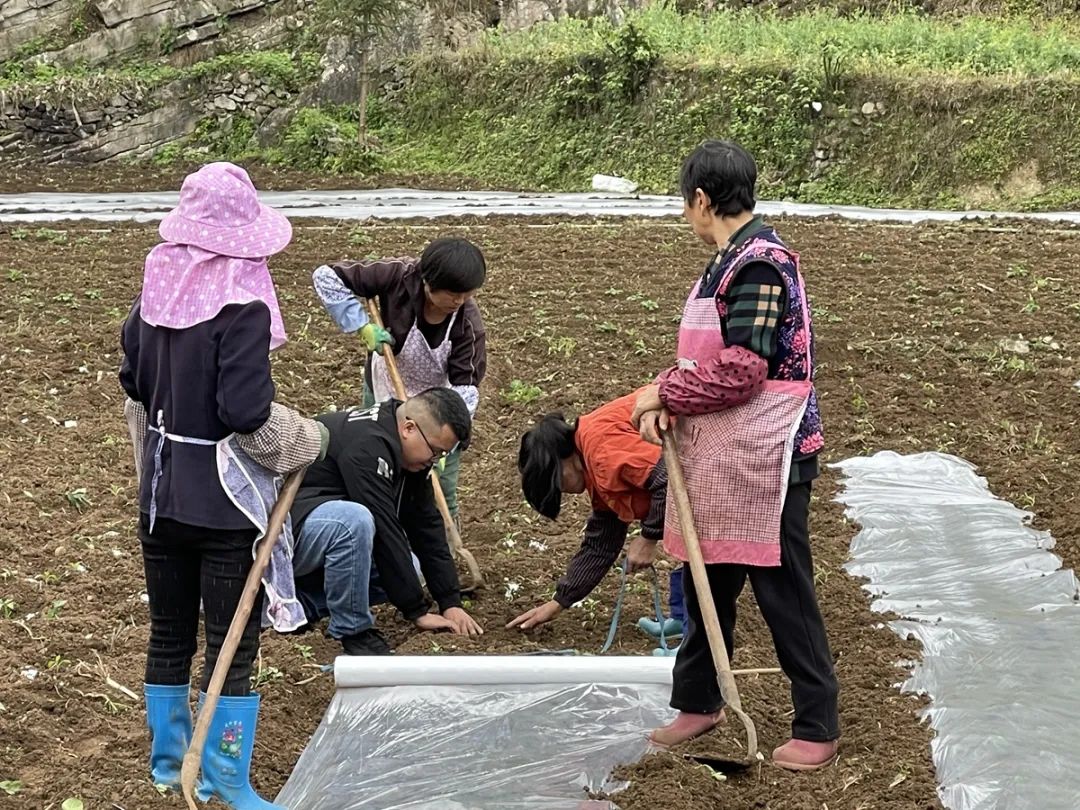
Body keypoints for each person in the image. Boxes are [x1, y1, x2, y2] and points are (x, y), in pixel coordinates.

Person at [631, 140, 840, 771]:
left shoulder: (759, 265)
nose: (685, 215)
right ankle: (699, 701)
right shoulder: (724, 261)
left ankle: (818, 722)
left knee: (783, 590)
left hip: (769, 457)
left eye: (684, 203)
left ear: (701, 199)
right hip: (723, 453)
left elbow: (744, 370)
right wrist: (673, 395)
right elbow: (708, 362)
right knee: (707, 579)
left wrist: (663, 390)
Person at [120, 162, 325, 809]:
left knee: (170, 635)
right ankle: (223, 779)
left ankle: (165, 765)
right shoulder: (240, 305)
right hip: (223, 504)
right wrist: (307, 438)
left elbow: (133, 379)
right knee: (231, 647)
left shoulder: (156, 287)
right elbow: (246, 415)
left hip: (159, 495)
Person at [290, 388, 483, 656]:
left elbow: (426, 526)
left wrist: (449, 601)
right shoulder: (368, 446)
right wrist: (416, 611)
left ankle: (300, 605)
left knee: (411, 567)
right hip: (285, 535)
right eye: (436, 451)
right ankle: (353, 630)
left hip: (323, 535)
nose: (434, 461)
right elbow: (384, 528)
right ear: (409, 428)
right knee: (355, 522)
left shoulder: (407, 456)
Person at [311, 238, 487, 521]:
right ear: (429, 282)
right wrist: (362, 325)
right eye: (454, 294)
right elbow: (326, 276)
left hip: (436, 407)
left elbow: (465, 389)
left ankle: (445, 545)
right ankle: (377, 525)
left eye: (467, 294)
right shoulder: (398, 276)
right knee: (377, 466)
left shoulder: (466, 324)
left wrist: (444, 443)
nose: (460, 301)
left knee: (441, 490)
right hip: (384, 387)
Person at [507, 390, 668, 631]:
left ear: (562, 458)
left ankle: (697, 635)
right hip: (701, 476)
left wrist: (648, 538)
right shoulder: (593, 468)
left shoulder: (601, 450)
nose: (567, 491)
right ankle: (686, 620)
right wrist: (559, 601)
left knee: (709, 554)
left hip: (715, 466)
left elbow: (668, 478)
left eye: (560, 482)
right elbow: (602, 543)